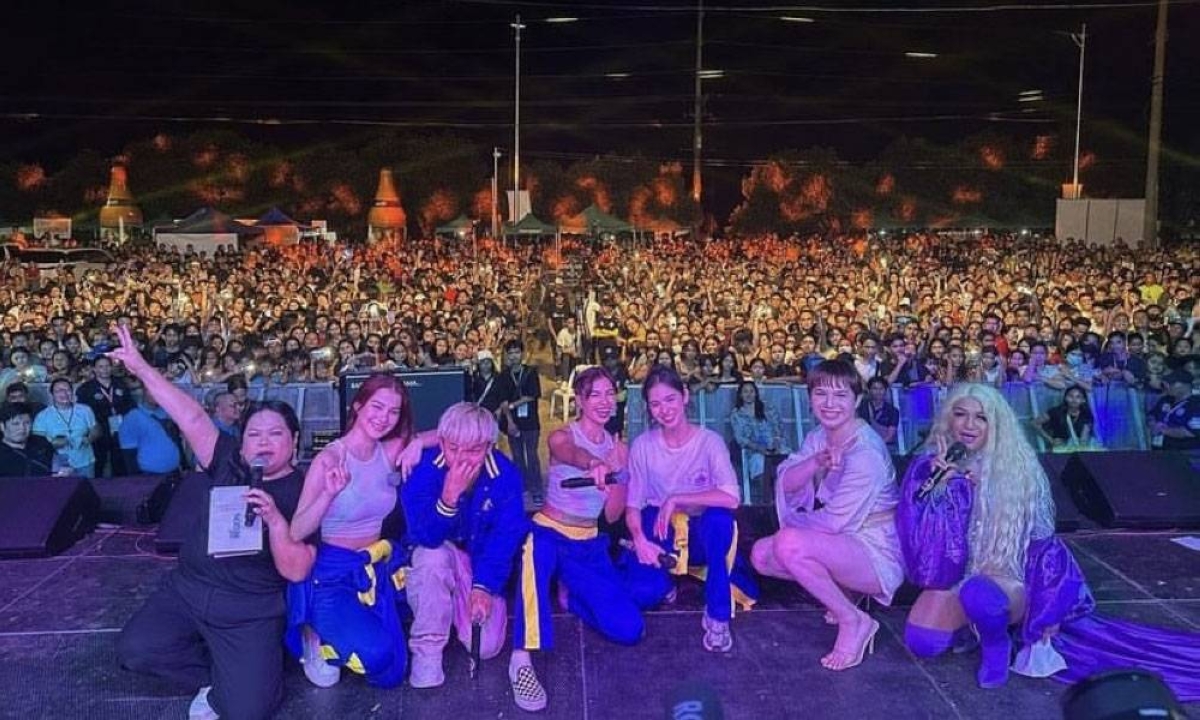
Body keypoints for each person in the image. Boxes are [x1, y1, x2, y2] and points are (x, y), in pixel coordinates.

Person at [897, 383, 1200, 699]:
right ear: (948, 419)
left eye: (981, 418)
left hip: (1006, 578)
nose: (969, 425)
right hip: (953, 575)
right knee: (924, 642)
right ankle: (967, 628)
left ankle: (996, 644)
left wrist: (1050, 606)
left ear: (997, 424)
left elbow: (1045, 546)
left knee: (980, 594)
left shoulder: (1019, 469)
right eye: (960, 415)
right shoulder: (929, 467)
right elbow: (924, 554)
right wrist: (942, 491)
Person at [112, 323, 316, 720]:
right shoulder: (227, 460)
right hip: (189, 589)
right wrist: (139, 367)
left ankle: (244, 676)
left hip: (249, 607)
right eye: (254, 434)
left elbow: (298, 569)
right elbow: (187, 413)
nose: (263, 442)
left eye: (276, 433)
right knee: (135, 650)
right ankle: (216, 675)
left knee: (249, 710)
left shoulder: (304, 489)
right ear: (241, 441)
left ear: (294, 440)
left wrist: (274, 520)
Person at [751, 359, 902, 671]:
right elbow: (786, 481)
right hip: (844, 542)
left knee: (789, 544)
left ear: (857, 400)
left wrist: (792, 529)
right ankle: (847, 593)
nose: (829, 404)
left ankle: (854, 621)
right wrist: (814, 464)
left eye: (840, 395)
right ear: (809, 398)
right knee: (762, 555)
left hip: (876, 550)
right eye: (821, 394)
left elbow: (834, 522)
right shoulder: (820, 436)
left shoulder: (866, 453)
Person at [508, 367, 643, 712]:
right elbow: (571, 454)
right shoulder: (561, 436)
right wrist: (594, 463)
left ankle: (570, 597)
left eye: (609, 394)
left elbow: (611, 516)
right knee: (533, 549)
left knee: (629, 629)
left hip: (588, 541)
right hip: (550, 530)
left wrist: (617, 478)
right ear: (580, 400)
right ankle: (521, 659)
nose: (603, 401)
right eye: (594, 395)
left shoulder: (621, 450)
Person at [285, 374, 432, 690]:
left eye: (393, 412)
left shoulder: (389, 451)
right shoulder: (330, 459)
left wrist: (417, 442)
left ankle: (346, 630)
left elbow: (450, 434)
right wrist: (328, 494)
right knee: (377, 657)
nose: (383, 418)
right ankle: (314, 636)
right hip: (332, 575)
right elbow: (296, 530)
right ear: (358, 405)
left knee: (392, 671)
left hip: (373, 567)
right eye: (377, 407)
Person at [623, 365, 758, 654]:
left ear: (685, 396)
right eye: (655, 404)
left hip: (701, 531)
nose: (664, 410)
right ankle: (667, 576)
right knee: (642, 593)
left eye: (670, 399)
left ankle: (718, 613)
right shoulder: (643, 446)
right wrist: (639, 539)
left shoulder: (710, 442)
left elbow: (732, 496)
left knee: (719, 520)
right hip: (663, 531)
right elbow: (633, 503)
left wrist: (678, 498)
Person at [402, 402, 529, 689]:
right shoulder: (424, 467)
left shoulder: (505, 476)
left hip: (478, 561)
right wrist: (447, 499)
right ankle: (427, 650)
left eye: (473, 450)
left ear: (488, 447)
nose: (461, 459)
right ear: (442, 441)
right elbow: (423, 535)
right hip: (438, 552)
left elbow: (505, 539)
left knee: (487, 647)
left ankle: (450, 608)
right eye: (453, 448)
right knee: (431, 556)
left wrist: (483, 587)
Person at [75, 355, 135, 477]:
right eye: (101, 367)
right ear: (94, 369)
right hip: (98, 428)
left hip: (121, 426)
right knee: (99, 460)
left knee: (120, 459)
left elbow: (130, 404)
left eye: (107, 366)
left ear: (112, 367)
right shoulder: (85, 389)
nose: (105, 369)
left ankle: (122, 485)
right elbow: (82, 412)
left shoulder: (120, 383)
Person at [729, 379, 789, 498]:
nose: (749, 394)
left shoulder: (768, 408)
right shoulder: (736, 414)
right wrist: (759, 448)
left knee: (790, 460)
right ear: (740, 395)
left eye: (751, 391)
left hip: (776, 447)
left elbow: (778, 426)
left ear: (756, 393)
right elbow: (741, 438)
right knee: (759, 463)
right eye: (745, 391)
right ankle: (768, 500)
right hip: (754, 451)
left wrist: (776, 442)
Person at [502, 340, 544, 505]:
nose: (513, 356)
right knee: (517, 456)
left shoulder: (530, 372)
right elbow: (502, 400)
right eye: (510, 353)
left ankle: (536, 489)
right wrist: (509, 422)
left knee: (532, 456)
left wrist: (513, 404)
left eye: (516, 352)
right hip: (513, 422)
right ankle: (522, 486)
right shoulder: (504, 376)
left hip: (531, 422)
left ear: (522, 354)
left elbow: (533, 394)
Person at [32, 377, 99, 478]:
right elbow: (37, 443)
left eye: (67, 390)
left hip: (85, 461)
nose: (64, 393)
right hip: (58, 465)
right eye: (59, 390)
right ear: (52, 395)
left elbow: (96, 429)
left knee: (87, 491)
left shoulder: (85, 410)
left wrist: (90, 438)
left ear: (72, 392)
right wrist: (52, 444)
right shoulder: (43, 416)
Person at [117, 383, 183, 475]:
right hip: (150, 476)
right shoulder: (132, 417)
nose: (156, 393)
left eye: (159, 391)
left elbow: (176, 441)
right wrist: (138, 480)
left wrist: (183, 464)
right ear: (143, 391)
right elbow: (129, 454)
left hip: (175, 471)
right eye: (151, 390)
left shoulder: (168, 413)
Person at [1033, 385, 1097, 452]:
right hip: (1060, 448)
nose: (1074, 400)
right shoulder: (1056, 411)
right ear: (1065, 398)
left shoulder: (1086, 414)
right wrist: (1050, 440)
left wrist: (1080, 448)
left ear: (1083, 400)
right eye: (1071, 396)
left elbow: (1084, 438)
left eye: (1078, 397)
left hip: (1079, 448)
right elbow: (1035, 423)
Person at [1147, 369, 1200, 450]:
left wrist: (1163, 430)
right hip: (1159, 449)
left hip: (1184, 453)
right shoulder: (1165, 399)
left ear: (1184, 385)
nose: (1167, 386)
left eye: (1172, 383)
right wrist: (1153, 423)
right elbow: (1152, 414)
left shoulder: (1196, 404)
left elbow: (1191, 432)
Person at [0, 402, 56, 477]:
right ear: (2, 426)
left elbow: (56, 468)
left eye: (27, 423)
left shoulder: (42, 444)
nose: (22, 428)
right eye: (15, 424)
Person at [856, 376, 899, 447]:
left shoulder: (893, 411)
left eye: (881, 389)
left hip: (883, 447)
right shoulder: (861, 407)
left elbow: (890, 436)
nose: (878, 392)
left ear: (886, 390)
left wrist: (876, 446)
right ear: (869, 390)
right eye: (875, 388)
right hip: (862, 446)